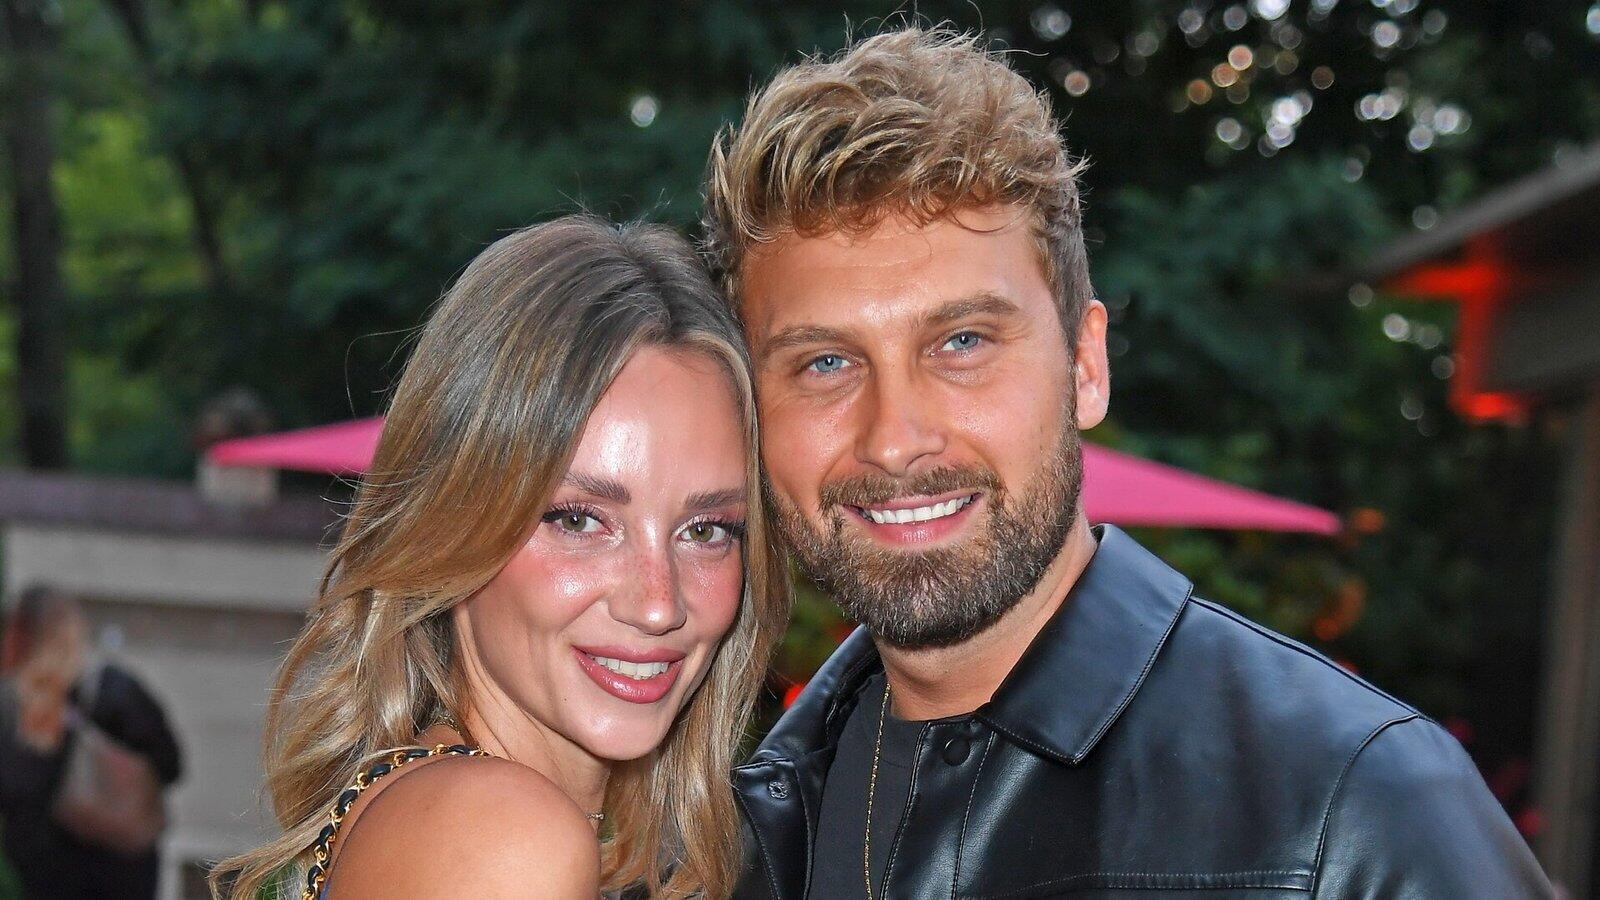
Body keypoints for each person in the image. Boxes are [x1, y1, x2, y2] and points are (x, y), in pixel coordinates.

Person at [702, 27, 1554, 899]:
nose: (893, 438)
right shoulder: (735, 831)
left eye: (962, 342)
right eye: (825, 363)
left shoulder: (1361, 808)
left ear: (1085, 366)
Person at [210, 215, 790, 899]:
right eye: (579, 520)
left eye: (706, 530)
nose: (659, 604)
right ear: (456, 521)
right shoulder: (503, 838)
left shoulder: (420, 806)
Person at [0, 585, 183, 899]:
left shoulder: (12, 707)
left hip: (47, 877)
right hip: (125, 868)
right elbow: (172, 766)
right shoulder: (116, 690)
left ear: (18, 636)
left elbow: (14, 795)